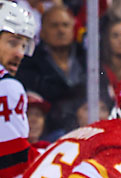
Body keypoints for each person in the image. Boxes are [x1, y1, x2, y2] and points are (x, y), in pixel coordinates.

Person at [15, 4, 86, 136]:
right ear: (42, 31)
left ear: (73, 28)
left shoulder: (87, 58)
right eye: (54, 25)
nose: (61, 30)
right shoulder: (29, 62)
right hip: (47, 133)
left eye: (65, 25)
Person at [0, 0, 36, 178]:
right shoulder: (7, 88)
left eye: (23, 46)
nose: (19, 53)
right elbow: (14, 166)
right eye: (13, 43)